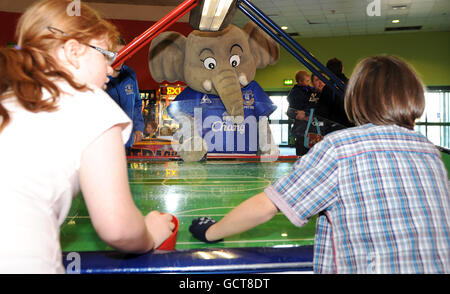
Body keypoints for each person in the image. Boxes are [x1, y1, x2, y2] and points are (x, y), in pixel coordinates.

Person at [189, 56, 450, 274]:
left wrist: (211, 231)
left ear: (355, 98)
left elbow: (268, 206)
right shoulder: (428, 151)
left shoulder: (340, 148)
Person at [0, 0, 173, 274]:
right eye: (106, 56)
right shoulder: (90, 103)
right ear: (72, 51)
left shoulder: (9, 100)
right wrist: (150, 233)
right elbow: (118, 227)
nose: (111, 70)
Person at [106, 36, 144, 152]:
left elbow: (137, 104)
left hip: (128, 142)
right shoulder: (99, 76)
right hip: (105, 144)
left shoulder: (130, 74)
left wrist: (139, 128)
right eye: (114, 54)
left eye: (122, 53)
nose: (119, 58)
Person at [286, 70, 315, 156]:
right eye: (307, 81)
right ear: (300, 81)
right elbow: (295, 108)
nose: (309, 83)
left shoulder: (307, 90)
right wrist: (306, 112)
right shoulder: (297, 92)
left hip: (307, 126)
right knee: (302, 150)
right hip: (301, 126)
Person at [320, 57, 353, 127]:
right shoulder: (352, 84)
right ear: (342, 68)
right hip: (350, 125)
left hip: (333, 127)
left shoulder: (327, 87)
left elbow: (322, 110)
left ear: (327, 71)